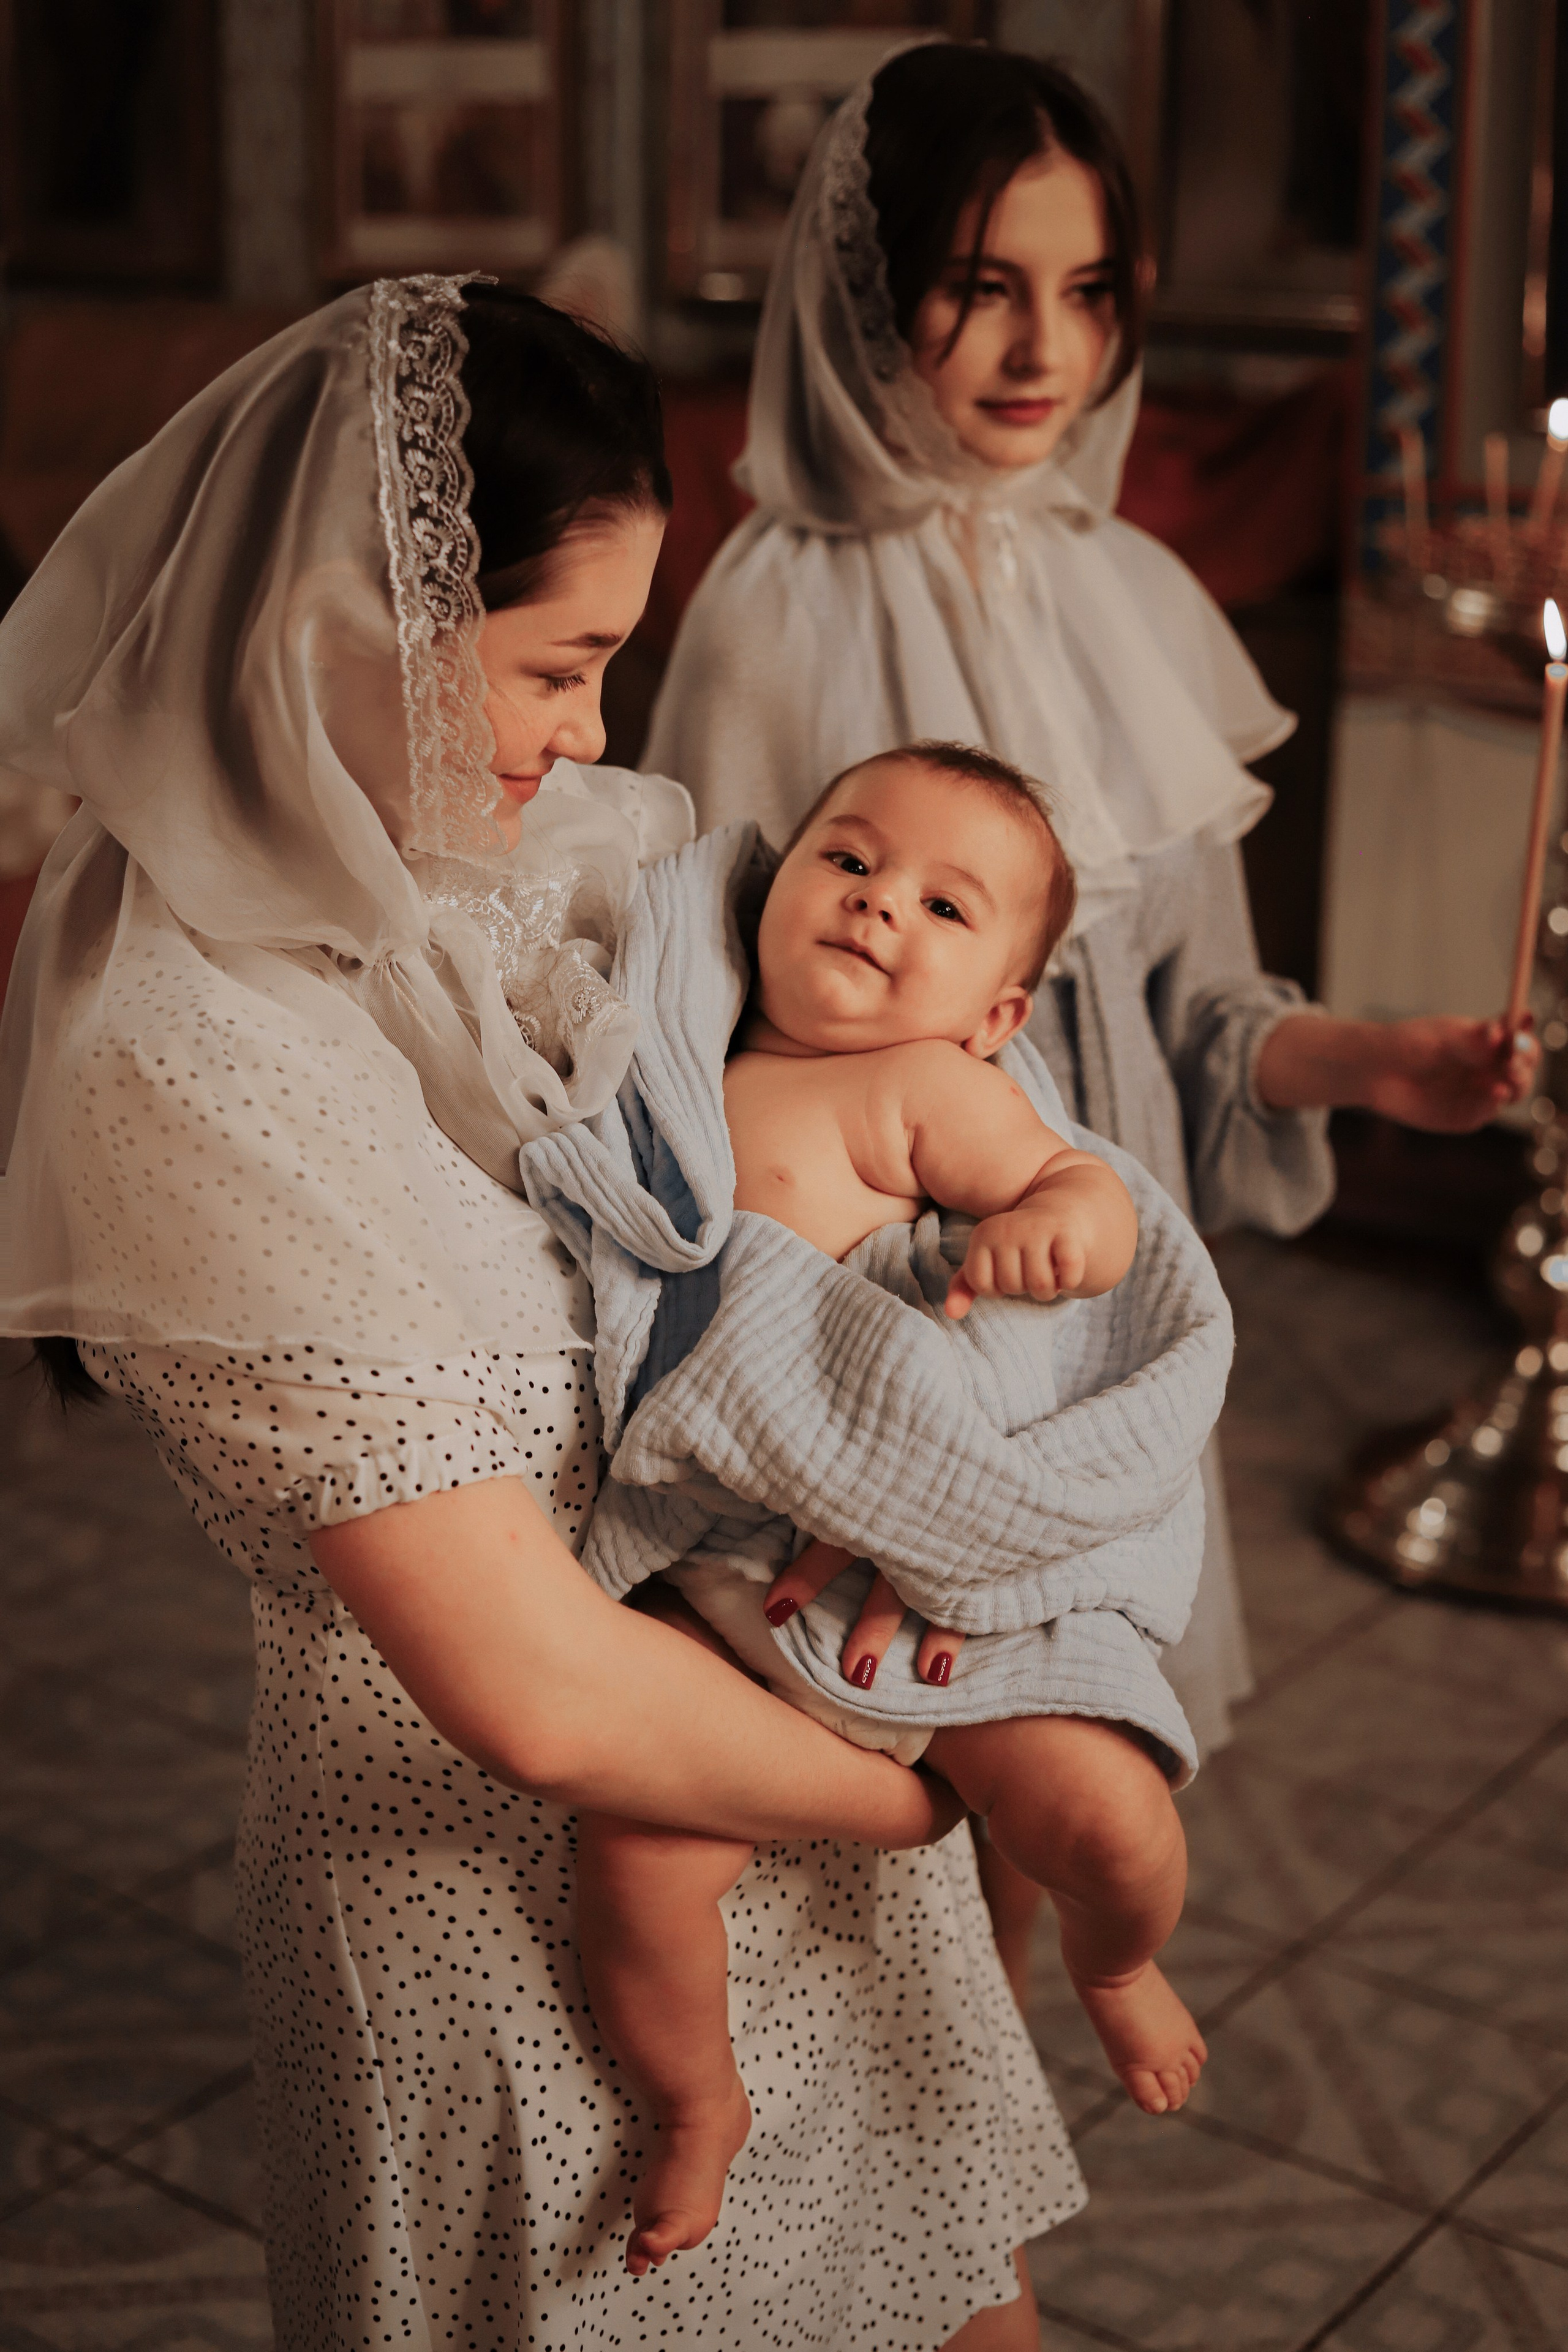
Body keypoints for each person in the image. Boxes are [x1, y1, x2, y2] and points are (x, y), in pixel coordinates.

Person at [0, 279, 1083, 2350]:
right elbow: (526, 1691)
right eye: (559, 666)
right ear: (351, 617)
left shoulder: (536, 862)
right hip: (506, 1916)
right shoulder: (185, 1046)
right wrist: (936, 1785)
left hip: (790, 1757)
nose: (597, 735)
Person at [644, 42, 1537, 1986]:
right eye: (983, 283)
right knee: (860, 1819)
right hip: (861, 1343)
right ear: (877, 294)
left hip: (1072, 1328)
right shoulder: (777, 613)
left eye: (1089, 290)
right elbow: (701, 1048)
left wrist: (1379, 1061)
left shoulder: (1133, 593)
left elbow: (1193, 1022)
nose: (1045, 347)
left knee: (1043, 1796)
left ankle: (992, 2155)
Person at [570, 739, 1217, 2280]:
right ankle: (696, 2098)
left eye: (942, 903)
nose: (877, 908)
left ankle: (1114, 1958)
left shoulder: (925, 1087)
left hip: (914, 1579)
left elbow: (1081, 1192)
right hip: (727, 1564)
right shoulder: (687, 1073)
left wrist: (1050, 1232)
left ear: (997, 1015)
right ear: (771, 891)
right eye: (846, 862)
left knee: (1111, 1816)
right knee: (638, 1862)